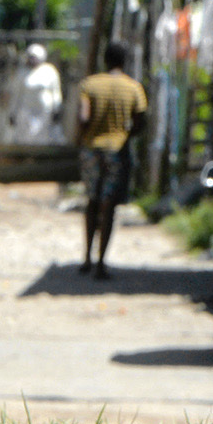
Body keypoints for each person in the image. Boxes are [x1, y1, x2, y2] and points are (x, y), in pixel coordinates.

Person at [75, 40, 148, 280]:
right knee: (109, 206)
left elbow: (83, 116)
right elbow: (140, 122)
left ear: (105, 60)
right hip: (117, 151)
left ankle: (86, 256)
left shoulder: (90, 84)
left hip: (91, 150)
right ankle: (101, 263)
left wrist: (82, 137)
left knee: (92, 201)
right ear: (124, 61)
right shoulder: (134, 88)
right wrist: (126, 135)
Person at [4, 43, 64, 145]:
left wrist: (57, 110)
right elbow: (16, 94)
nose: (32, 60)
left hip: (44, 112)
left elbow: (56, 91)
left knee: (42, 139)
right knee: (25, 139)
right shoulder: (22, 73)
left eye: (34, 57)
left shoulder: (50, 71)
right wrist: (12, 112)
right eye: (30, 57)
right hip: (26, 112)